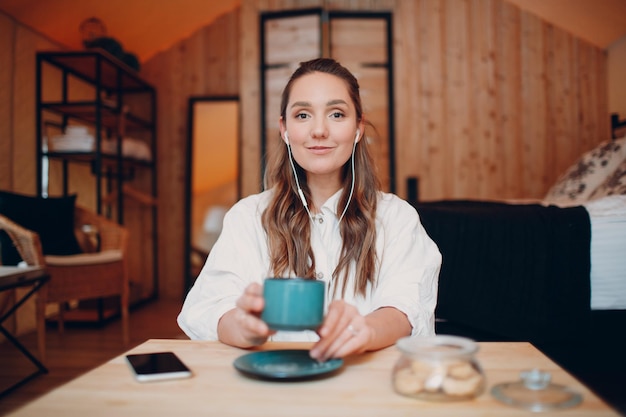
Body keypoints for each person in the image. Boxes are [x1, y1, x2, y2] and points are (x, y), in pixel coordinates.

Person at [177, 58, 441, 362]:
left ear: (358, 128)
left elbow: (405, 307)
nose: (318, 130)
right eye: (303, 114)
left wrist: (366, 331)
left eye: (337, 114)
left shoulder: (397, 218)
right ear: (285, 129)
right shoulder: (247, 217)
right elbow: (211, 306)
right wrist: (243, 326)